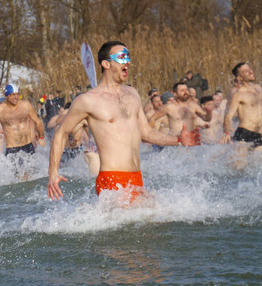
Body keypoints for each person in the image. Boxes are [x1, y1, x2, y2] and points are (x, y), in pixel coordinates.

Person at [47, 41, 198, 202]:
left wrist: (179, 140)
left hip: (136, 177)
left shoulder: (132, 94)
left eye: (128, 56)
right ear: (106, 64)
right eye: (121, 57)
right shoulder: (88, 100)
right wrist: (53, 173)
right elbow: (61, 133)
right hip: (112, 179)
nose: (128, 61)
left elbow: (146, 133)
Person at [0, 84, 46, 155]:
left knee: (33, 166)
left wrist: (41, 137)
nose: (16, 97)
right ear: (6, 96)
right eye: (13, 95)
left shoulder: (26, 106)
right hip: (12, 149)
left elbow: (37, 121)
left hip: (28, 146)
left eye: (17, 94)